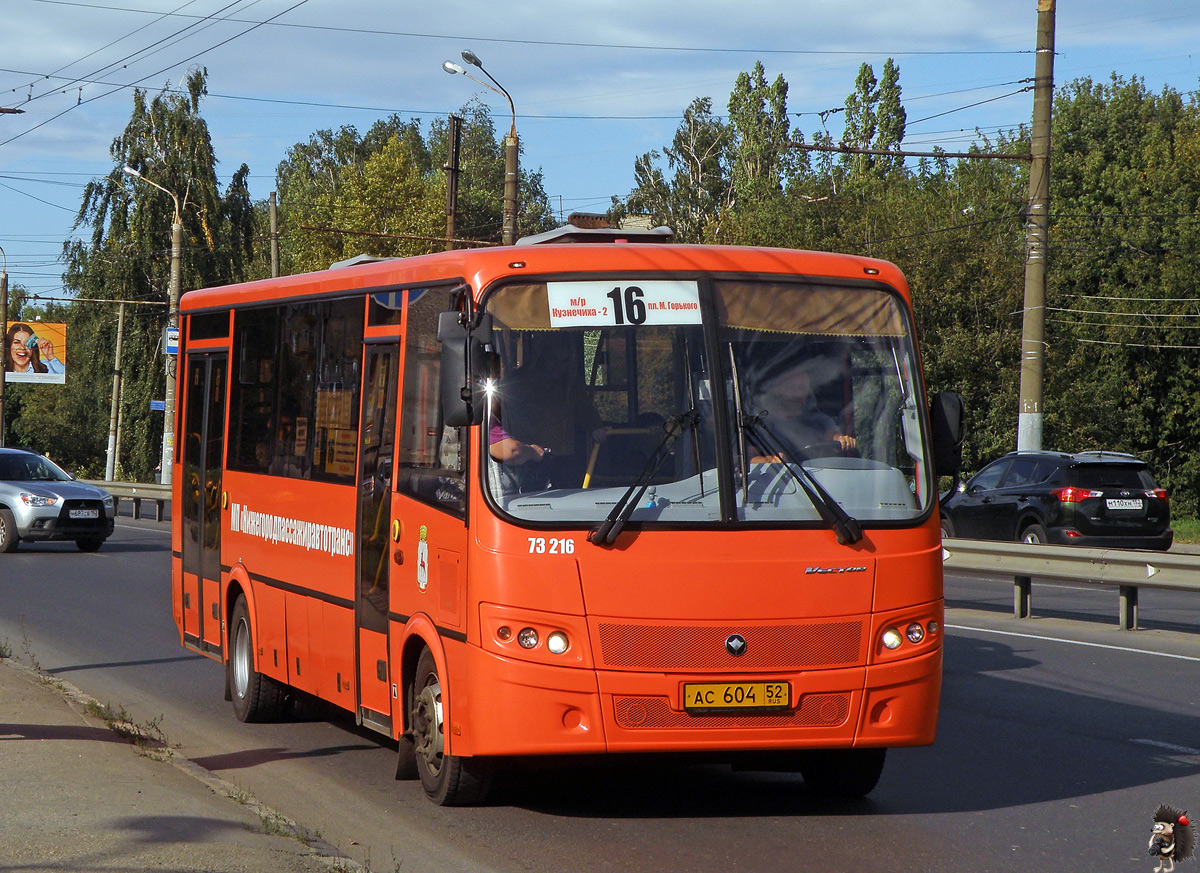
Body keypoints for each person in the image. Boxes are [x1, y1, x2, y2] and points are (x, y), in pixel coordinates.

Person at [488, 332, 606, 492]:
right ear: (542, 358)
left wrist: (596, 427)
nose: (558, 366)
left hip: (562, 455)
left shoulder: (570, 385)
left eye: (564, 361)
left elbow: (584, 408)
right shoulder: (520, 381)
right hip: (529, 453)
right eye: (553, 359)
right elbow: (497, 408)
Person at [750, 359, 855, 462]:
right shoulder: (758, 425)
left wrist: (841, 440)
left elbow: (833, 436)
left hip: (813, 478)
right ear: (776, 389)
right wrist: (767, 461)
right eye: (792, 388)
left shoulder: (818, 421)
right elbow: (747, 459)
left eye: (802, 388)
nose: (798, 395)